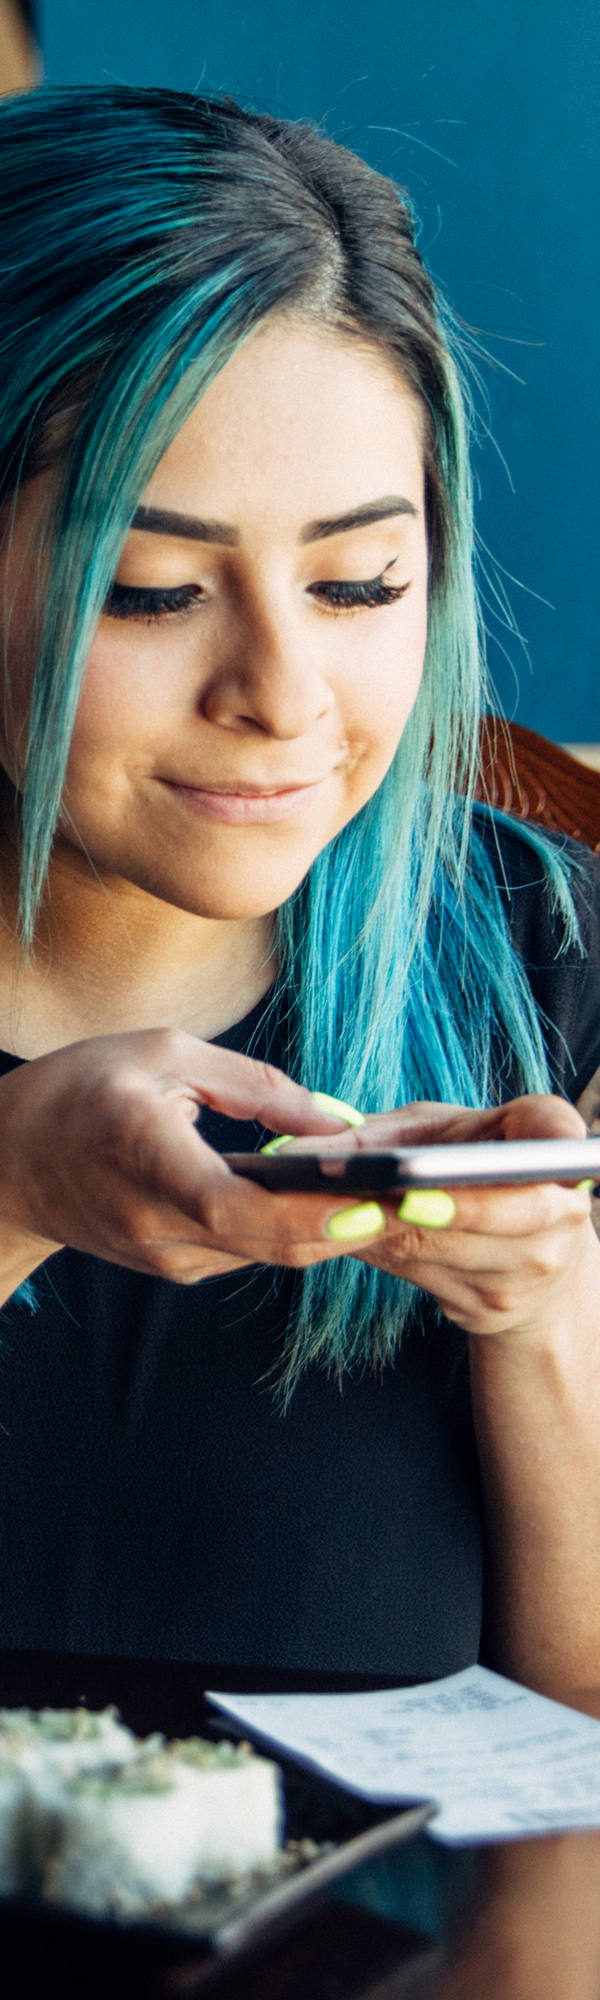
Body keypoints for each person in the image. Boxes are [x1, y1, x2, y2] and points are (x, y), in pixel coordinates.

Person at [0, 82, 598, 1696]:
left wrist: (545, 1315)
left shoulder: (548, 967)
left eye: (358, 582)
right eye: (155, 590)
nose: (282, 691)